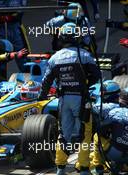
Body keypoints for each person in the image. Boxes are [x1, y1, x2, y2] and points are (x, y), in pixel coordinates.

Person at [38, 22, 101, 175]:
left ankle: (60, 168)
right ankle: (84, 169)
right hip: (81, 100)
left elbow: (46, 81)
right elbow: (97, 76)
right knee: (84, 134)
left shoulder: (54, 58)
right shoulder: (85, 55)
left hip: (64, 100)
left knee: (63, 134)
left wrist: (41, 97)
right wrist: (85, 84)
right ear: (76, 37)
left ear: (61, 37)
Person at [0, 0, 30, 79]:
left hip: (16, 29)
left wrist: (11, 16)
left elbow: (22, 7)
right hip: (2, 29)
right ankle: (2, 86)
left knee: (23, 57)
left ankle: (30, 84)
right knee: (0, 60)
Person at [90, 89, 128, 175]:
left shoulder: (114, 112)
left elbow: (100, 130)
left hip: (114, 153)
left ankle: (98, 168)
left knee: (97, 136)